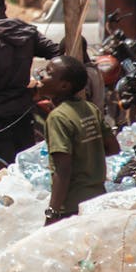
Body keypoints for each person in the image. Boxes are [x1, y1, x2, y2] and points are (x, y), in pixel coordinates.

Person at [0, 0, 62, 164]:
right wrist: (46, 79)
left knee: (2, 171)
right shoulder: (28, 33)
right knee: (25, 167)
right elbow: (56, 51)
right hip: (24, 112)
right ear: (5, 6)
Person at [37, 55, 119, 224]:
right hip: (97, 199)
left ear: (64, 85)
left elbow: (63, 170)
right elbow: (113, 148)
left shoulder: (58, 118)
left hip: (72, 207)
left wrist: (52, 213)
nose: (41, 75)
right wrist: (87, 154)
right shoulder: (90, 108)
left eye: (48, 73)